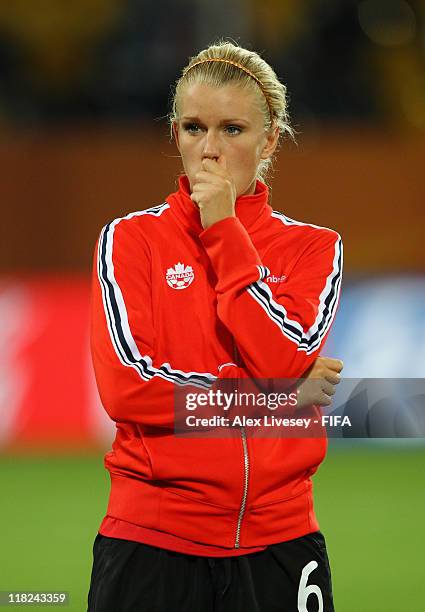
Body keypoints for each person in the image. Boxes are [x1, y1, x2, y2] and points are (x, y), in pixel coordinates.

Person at [87, 40, 343, 612]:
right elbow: (128, 389)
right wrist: (277, 400)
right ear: (173, 134)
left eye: (232, 129)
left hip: (282, 543)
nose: (209, 150)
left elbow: (280, 358)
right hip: (151, 542)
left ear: (270, 139)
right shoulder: (131, 240)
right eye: (194, 127)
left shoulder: (313, 247)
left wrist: (224, 230)